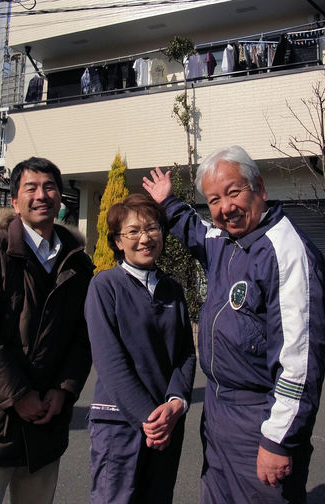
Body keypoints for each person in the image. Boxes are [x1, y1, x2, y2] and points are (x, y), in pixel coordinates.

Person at [143, 146, 325, 504]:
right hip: (217, 413)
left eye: (233, 192)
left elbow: (299, 362)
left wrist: (278, 439)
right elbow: (193, 230)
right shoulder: (224, 239)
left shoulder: (285, 250)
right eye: (214, 199)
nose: (225, 208)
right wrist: (167, 202)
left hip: (259, 418)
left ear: (258, 187)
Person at [0, 157, 94, 504]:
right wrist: (18, 395)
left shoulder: (77, 263)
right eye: (31, 187)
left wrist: (63, 390)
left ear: (60, 199)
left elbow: (82, 337)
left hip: (45, 422)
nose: (41, 194)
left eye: (50, 187)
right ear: (14, 202)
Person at [85, 193, 196, 504]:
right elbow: (110, 362)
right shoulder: (105, 286)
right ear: (118, 242)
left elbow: (186, 352)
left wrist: (177, 402)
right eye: (133, 231)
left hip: (166, 422)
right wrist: (151, 420)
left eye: (152, 229)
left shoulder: (172, 288)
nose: (144, 238)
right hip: (120, 425)